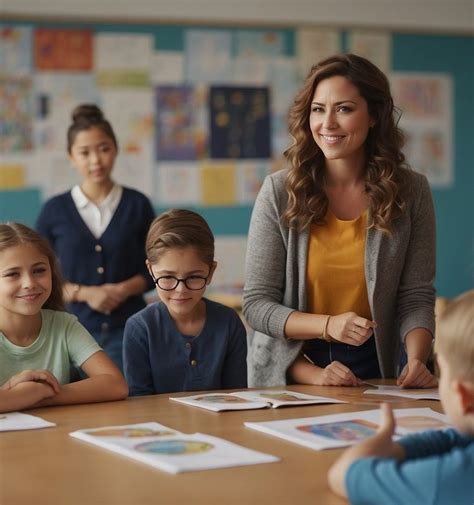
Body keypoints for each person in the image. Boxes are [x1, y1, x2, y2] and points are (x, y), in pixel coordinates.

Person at [243, 53, 437, 388]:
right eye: (318, 109)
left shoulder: (412, 191)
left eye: (344, 109)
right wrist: (327, 325)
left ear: (374, 114)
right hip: (295, 366)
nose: (327, 123)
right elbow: (257, 305)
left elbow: (416, 296)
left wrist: (417, 360)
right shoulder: (278, 191)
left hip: (381, 363)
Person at [36, 104, 155, 372]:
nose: (96, 160)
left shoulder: (138, 205)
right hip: (67, 334)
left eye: (104, 148)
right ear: (71, 157)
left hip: (130, 331)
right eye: (85, 152)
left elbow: (156, 268)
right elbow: (38, 275)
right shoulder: (54, 210)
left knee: (130, 404)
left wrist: (121, 290)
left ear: (115, 148)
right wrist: (86, 293)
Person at [328, 290, 474, 504]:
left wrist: (381, 439)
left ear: (463, 397)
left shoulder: (446, 479)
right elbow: (457, 437)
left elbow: (343, 474)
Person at [0, 223, 128, 413]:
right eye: (12, 274)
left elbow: (116, 384)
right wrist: (27, 393)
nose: (29, 283)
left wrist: (41, 392)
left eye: (39, 270)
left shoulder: (64, 324)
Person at [123, 209, 247, 395]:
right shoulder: (140, 328)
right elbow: (140, 405)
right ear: (150, 269)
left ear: (211, 272)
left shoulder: (229, 322)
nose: (181, 290)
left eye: (194, 277)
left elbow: (237, 398)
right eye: (167, 277)